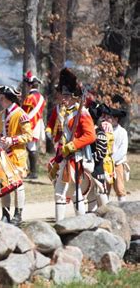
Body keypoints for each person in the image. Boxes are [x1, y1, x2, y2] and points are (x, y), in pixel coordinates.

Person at [52, 68, 96, 221]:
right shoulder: (64, 112)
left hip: (75, 156)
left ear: (72, 96)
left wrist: (72, 146)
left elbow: (90, 135)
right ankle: (61, 224)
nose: (62, 98)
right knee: (62, 192)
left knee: (73, 191)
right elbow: (60, 133)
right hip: (65, 155)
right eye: (62, 95)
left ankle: (81, 222)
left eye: (65, 95)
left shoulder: (81, 112)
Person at [0, 85, 33, 225]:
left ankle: (18, 214)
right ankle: (5, 214)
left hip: (17, 154)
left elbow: (29, 136)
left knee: (18, 185)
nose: (0, 99)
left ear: (9, 99)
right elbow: (0, 133)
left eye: (2, 97)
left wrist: (13, 140)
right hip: (4, 154)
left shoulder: (21, 114)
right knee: (4, 185)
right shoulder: (1, 114)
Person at [21, 71, 46, 179]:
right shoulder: (41, 97)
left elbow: (24, 113)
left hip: (31, 124)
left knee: (31, 147)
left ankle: (33, 172)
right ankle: (32, 171)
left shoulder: (30, 98)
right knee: (32, 147)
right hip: (38, 123)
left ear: (29, 85)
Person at [111, 107, 129, 201]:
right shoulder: (105, 130)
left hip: (118, 163)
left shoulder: (122, 132)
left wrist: (112, 160)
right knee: (103, 188)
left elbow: (123, 150)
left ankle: (123, 207)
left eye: (111, 118)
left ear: (116, 119)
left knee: (119, 188)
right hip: (106, 163)